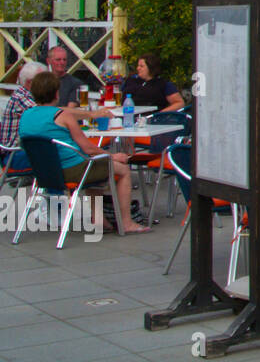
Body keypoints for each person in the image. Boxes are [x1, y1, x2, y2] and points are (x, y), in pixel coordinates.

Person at [19, 71, 148, 234]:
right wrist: (113, 156)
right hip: (72, 170)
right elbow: (88, 148)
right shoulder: (63, 115)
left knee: (96, 165)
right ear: (57, 93)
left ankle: (100, 220)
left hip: (44, 173)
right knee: (121, 169)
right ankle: (127, 223)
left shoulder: (25, 115)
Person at [121, 53, 186, 111]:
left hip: (152, 118)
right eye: (138, 66)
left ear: (150, 67)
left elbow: (179, 103)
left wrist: (161, 114)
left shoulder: (163, 84)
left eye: (141, 66)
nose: (138, 68)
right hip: (128, 116)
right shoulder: (131, 81)